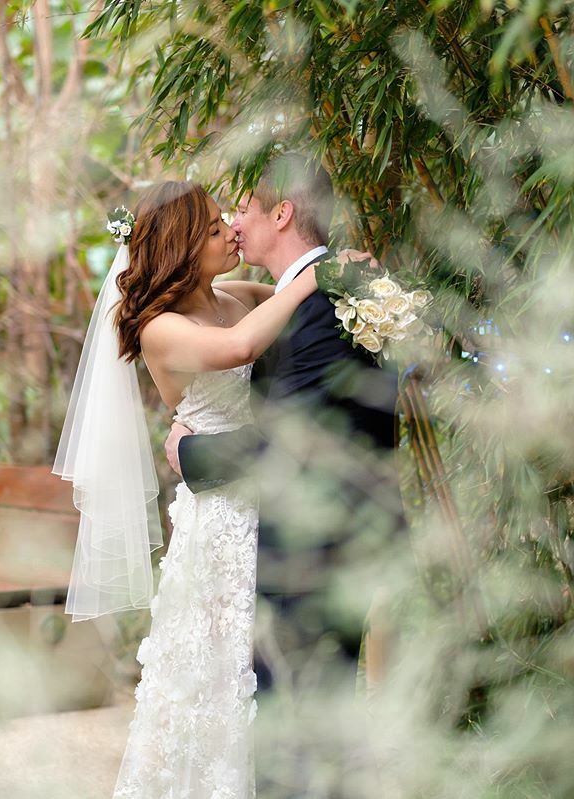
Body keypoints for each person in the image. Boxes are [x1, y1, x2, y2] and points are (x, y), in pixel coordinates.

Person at [53, 179, 320, 799]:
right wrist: (314, 277)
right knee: (216, 668)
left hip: (264, 488)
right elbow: (242, 346)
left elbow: (281, 298)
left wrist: (319, 277)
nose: (226, 227)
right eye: (208, 227)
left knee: (263, 670)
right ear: (178, 248)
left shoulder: (232, 294)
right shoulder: (158, 327)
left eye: (223, 216)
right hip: (221, 513)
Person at [164, 154, 405, 696]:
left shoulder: (321, 303)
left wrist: (190, 455)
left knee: (296, 727)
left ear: (282, 215)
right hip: (312, 538)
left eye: (243, 210)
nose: (234, 226)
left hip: (314, 553)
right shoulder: (322, 292)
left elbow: (294, 438)